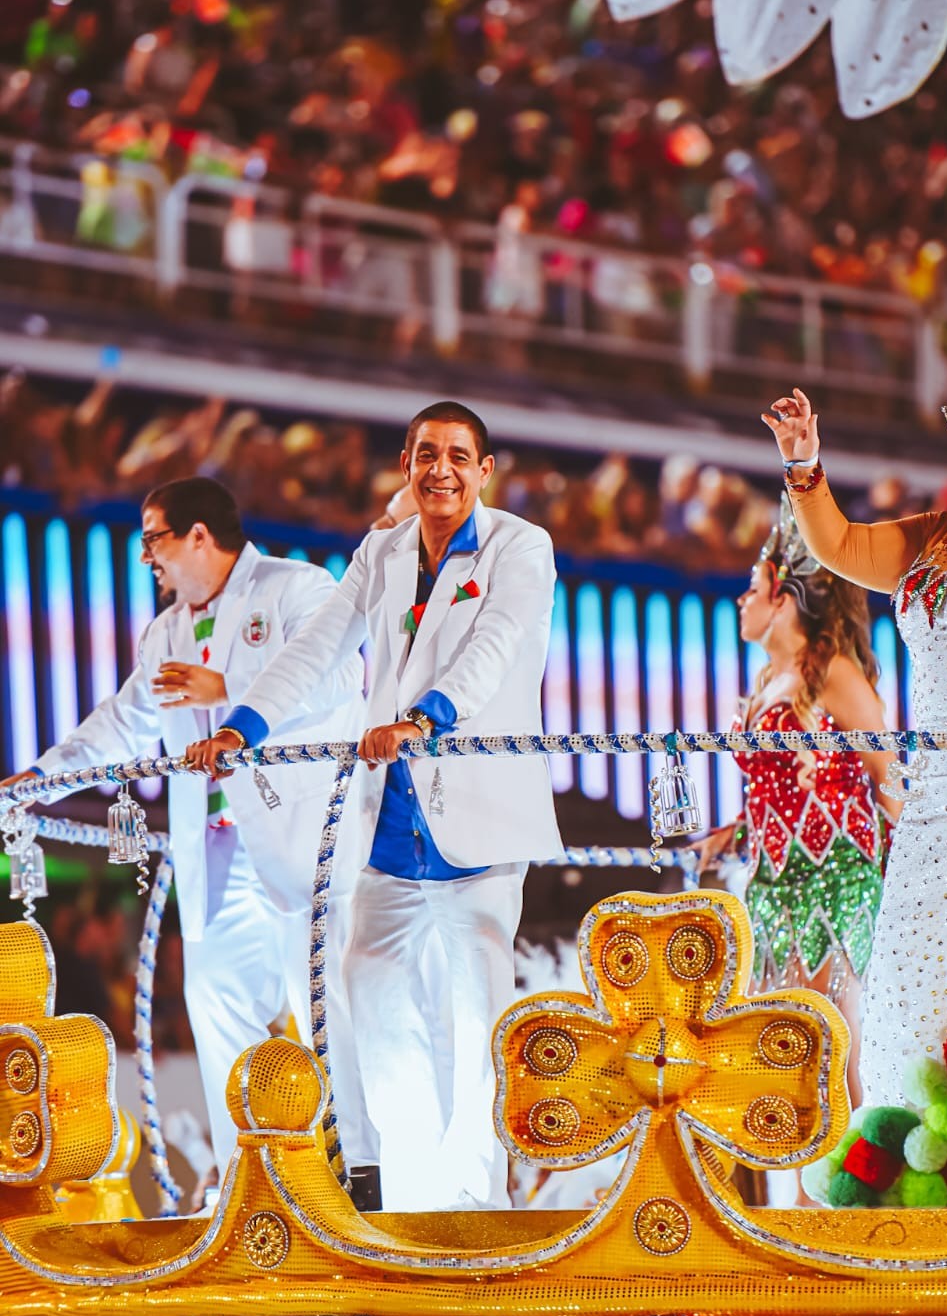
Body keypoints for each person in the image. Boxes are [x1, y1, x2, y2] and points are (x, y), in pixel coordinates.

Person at [184, 402, 563, 1211]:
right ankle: (417, 1195)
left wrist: (427, 717)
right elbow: (316, 645)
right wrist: (242, 727)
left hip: (478, 822)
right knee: (371, 985)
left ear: (485, 471)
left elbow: (493, 647)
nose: (442, 471)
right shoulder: (383, 550)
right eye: (427, 454)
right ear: (406, 463)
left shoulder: (520, 547)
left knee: (477, 1018)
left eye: (460, 456)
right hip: (389, 824)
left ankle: (478, 1209)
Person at [2, 478, 373, 1194]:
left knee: (325, 1003)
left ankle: (360, 1170)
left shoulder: (296, 587)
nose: (147, 557)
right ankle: (249, 1182)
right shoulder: (165, 631)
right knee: (215, 1001)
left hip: (299, 838)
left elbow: (338, 682)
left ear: (200, 535)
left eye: (154, 539)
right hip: (214, 845)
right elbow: (119, 726)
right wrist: (37, 781)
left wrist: (229, 687)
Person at [762, 318, 947, 1103]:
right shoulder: (933, 537)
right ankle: (914, 1159)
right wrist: (804, 465)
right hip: (935, 797)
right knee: (913, 977)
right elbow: (838, 548)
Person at [696, 499, 898, 1106]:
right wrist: (733, 831)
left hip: (834, 877)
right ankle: (799, 1198)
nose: (741, 601)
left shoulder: (833, 671)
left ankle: (855, 1190)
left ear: (782, 600)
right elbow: (775, 785)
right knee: (780, 1052)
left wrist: (925, 862)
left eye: (751, 590)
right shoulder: (765, 681)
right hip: (773, 881)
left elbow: (885, 773)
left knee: (831, 1047)